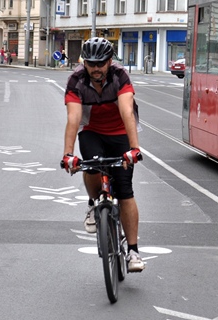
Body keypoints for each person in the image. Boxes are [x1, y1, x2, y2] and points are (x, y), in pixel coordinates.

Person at [61, 37, 145, 273]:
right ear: (84, 63)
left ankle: (134, 252)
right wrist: (68, 154)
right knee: (89, 165)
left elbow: (127, 111)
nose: (96, 68)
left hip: (120, 132)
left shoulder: (120, 76)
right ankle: (93, 203)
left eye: (101, 63)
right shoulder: (76, 80)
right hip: (92, 131)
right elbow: (73, 119)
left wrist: (134, 149)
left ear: (109, 61)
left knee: (125, 190)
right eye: (91, 63)